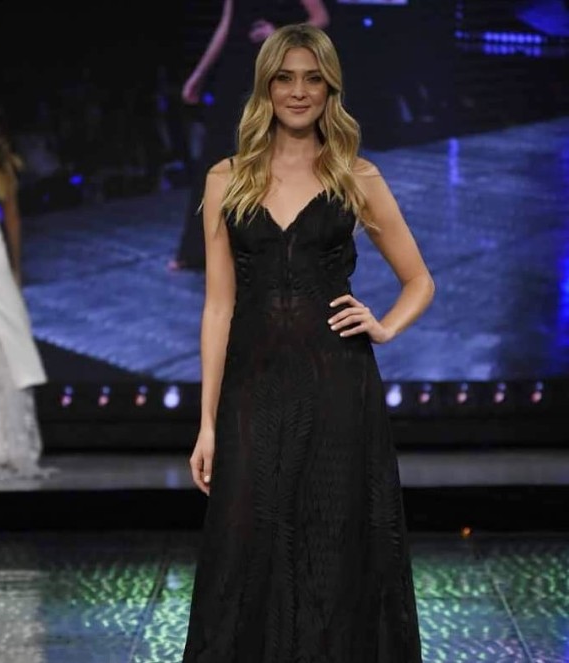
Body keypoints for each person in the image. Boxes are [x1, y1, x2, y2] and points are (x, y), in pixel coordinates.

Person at [182, 23, 434, 662]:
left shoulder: (356, 176)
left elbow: (419, 280)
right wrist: (207, 423)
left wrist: (385, 326)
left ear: (330, 89)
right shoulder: (226, 179)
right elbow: (218, 306)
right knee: (246, 546)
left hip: (338, 387)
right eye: (285, 78)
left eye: (312, 79)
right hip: (253, 387)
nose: (298, 92)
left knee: (332, 546)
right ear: (266, 87)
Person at [168, 0, 330, 271]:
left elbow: (320, 18)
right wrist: (199, 74)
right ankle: (197, 251)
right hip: (233, 71)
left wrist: (280, 36)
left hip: (269, 72)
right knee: (215, 160)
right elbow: (227, 25)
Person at [0, 71, 51, 480]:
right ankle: (4, 446)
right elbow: (13, 217)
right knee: (2, 346)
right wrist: (16, 268)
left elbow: (14, 215)